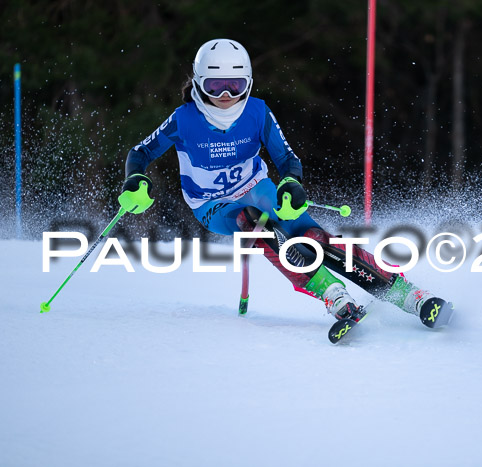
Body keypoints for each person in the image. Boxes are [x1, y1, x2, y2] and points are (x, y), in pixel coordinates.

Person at [118, 38, 450, 327]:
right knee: (252, 221)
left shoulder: (257, 112)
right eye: (215, 85)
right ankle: (333, 294)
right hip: (211, 204)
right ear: (199, 82)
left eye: (234, 85)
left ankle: (411, 296)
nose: (225, 95)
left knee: (313, 238)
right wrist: (135, 179)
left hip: (256, 187)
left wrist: (292, 183)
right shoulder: (184, 119)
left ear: (247, 82)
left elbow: (287, 158)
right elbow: (140, 152)